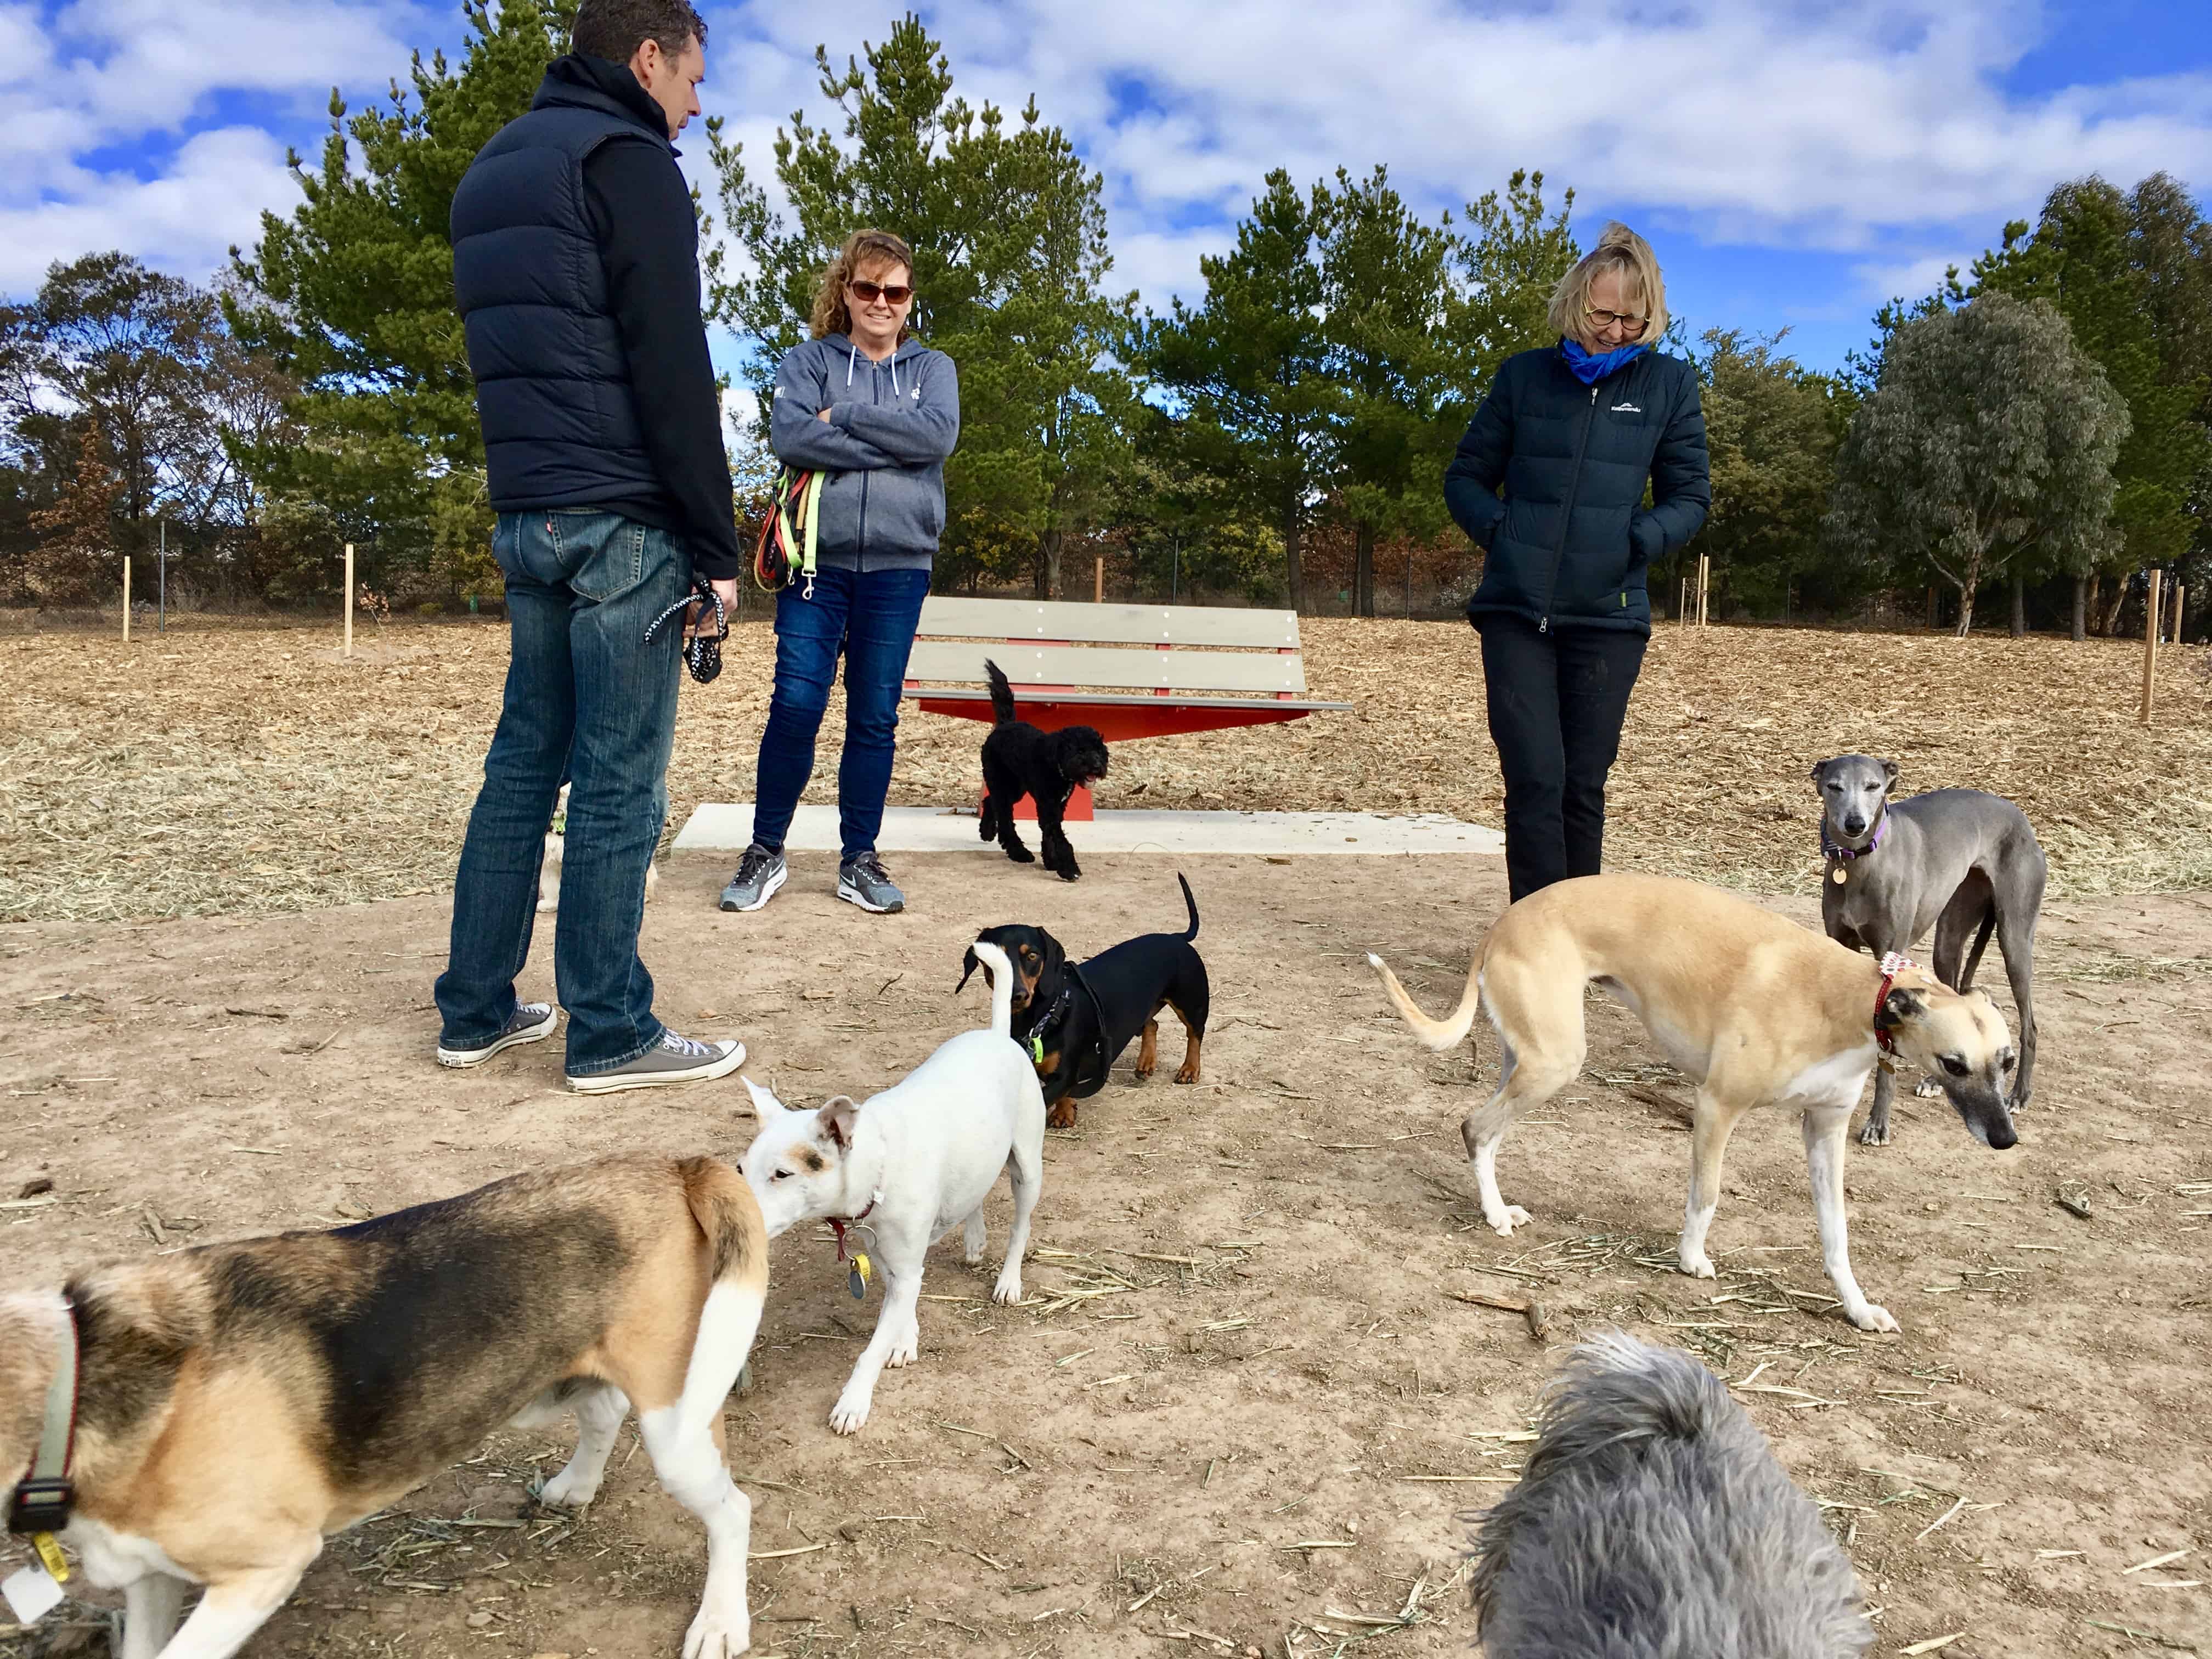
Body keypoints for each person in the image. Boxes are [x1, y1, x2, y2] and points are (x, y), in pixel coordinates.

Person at [434, 0, 746, 1092]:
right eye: (694, 80)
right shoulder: (627, 158)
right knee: (621, 783)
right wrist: (716, 544)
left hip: (530, 515)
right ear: (648, 56)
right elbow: (672, 363)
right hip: (623, 522)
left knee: (523, 768)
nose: (697, 106)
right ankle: (610, 1030)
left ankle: (474, 1010)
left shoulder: (492, 173)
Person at [1444, 223, 1710, 904]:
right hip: (1515, 612)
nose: (1615, 331)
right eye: (1603, 314)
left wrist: (1634, 542)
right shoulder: (1523, 377)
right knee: (1535, 777)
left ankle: (1581, 938)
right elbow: (1466, 477)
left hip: (1609, 619)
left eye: (1632, 318)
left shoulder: (1669, 385)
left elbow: (1690, 497)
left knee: (1582, 786)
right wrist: (1503, 531)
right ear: (1575, 302)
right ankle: (1535, 939)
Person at [717, 230, 960, 917]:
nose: (880, 302)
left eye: (895, 291)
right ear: (845, 292)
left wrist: (845, 418)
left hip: (899, 570)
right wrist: (894, 441)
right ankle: (766, 850)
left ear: (910, 300)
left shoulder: (932, 368)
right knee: (796, 707)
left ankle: (859, 859)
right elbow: (793, 437)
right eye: (867, 289)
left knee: (874, 718)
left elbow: (937, 438)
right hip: (814, 567)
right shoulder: (807, 361)